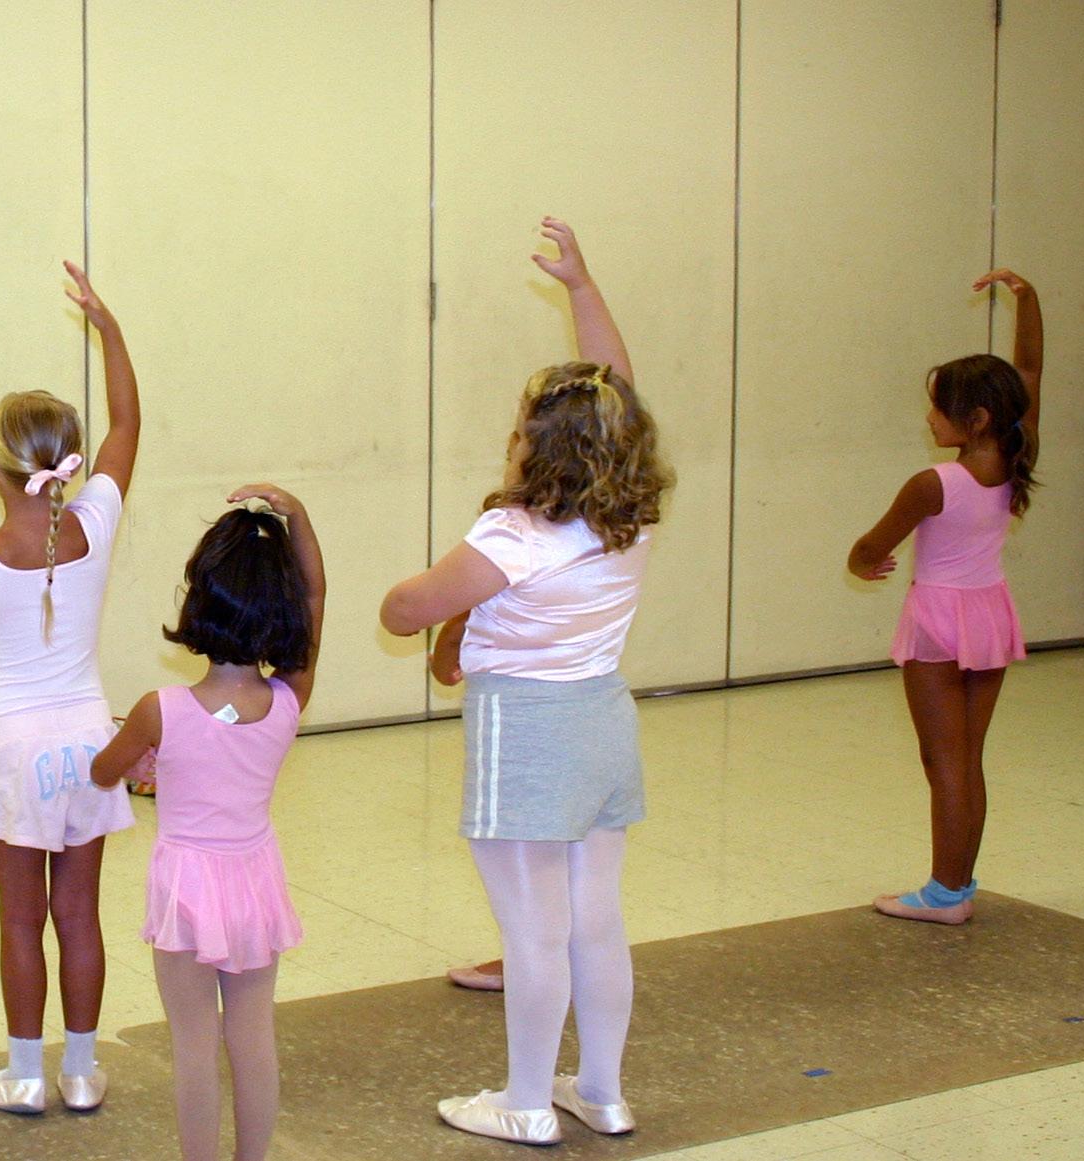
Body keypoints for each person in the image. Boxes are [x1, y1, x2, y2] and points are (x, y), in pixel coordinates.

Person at [380, 218, 667, 1146]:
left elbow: (405, 609)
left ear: (538, 452)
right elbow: (618, 388)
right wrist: (581, 287)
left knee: (534, 930)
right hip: (603, 720)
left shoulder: (514, 535)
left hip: (527, 731)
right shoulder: (631, 514)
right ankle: (602, 1091)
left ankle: (526, 1100)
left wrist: (419, 589)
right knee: (595, 921)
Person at [0, 263, 140, 1114]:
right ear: (67, 466)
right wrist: (107, 328)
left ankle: (21, 1072)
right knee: (78, 913)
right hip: (89, 744)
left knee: (20, 917)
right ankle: (80, 1069)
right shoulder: (95, 521)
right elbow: (128, 423)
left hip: (14, 751)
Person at [92, 486, 323, 1161]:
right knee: (253, 1037)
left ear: (198, 598)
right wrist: (298, 517)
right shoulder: (288, 698)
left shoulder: (158, 709)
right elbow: (316, 596)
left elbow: (104, 771)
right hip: (256, 878)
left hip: (187, 885)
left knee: (193, 1043)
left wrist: (142, 758)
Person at [848, 269, 1043, 925]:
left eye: (938, 408)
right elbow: (1029, 373)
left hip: (937, 619)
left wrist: (862, 562)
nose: (929, 417)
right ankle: (955, 885)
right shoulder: (1016, 452)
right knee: (967, 758)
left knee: (943, 762)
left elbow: (871, 546)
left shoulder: (932, 483)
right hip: (989, 612)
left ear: (975, 418)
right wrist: (1028, 301)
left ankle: (944, 894)